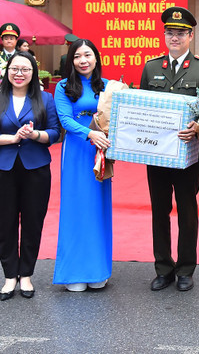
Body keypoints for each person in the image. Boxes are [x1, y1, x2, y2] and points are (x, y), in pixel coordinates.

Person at [140, 6, 199, 292]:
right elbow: (143, 108)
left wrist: (197, 128)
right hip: (157, 152)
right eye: (170, 33)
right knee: (159, 210)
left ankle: (186, 268)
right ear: (164, 36)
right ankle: (163, 267)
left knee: (187, 210)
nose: (174, 38)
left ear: (191, 36)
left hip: (188, 152)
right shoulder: (151, 67)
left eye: (180, 34)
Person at [0, 51, 60, 301]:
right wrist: (11, 138)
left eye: (25, 69)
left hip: (36, 169)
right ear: (8, 71)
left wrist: (35, 136)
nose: (19, 73)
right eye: (15, 69)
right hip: (3, 169)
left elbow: (55, 133)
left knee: (33, 222)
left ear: (33, 73)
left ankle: (26, 275)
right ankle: (9, 276)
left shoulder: (45, 99)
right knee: (6, 222)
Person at [52, 39, 113, 292]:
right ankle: (74, 272)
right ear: (71, 60)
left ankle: (97, 270)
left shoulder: (108, 86)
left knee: (97, 209)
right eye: (77, 56)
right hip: (78, 151)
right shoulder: (63, 86)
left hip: (100, 152)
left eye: (87, 55)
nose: (83, 60)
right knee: (76, 208)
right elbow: (65, 120)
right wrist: (90, 134)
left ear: (96, 58)